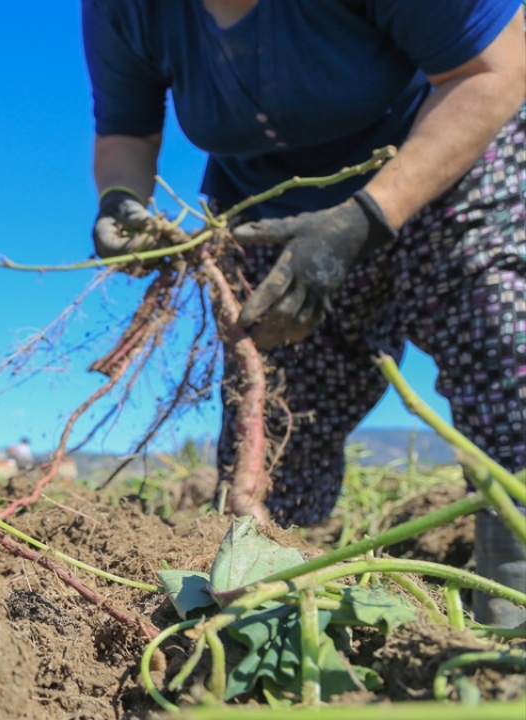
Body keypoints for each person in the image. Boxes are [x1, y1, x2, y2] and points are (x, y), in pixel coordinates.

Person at [82, 0, 524, 625]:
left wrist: (366, 216)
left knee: (509, 355)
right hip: (272, 221)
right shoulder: (125, 7)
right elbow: (125, 132)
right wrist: (121, 199)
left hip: (448, 166)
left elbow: (496, 66)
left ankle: (514, 606)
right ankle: (272, 607)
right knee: (280, 437)